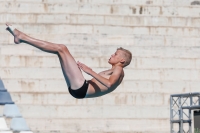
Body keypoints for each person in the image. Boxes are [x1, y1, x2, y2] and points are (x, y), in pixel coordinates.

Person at [5, 23, 132, 99]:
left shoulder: (119, 69)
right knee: (60, 50)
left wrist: (90, 71)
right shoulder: (116, 70)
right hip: (80, 88)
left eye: (115, 54)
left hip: (82, 87)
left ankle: (21, 37)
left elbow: (109, 84)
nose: (112, 55)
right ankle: (21, 37)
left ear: (121, 60)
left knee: (61, 48)